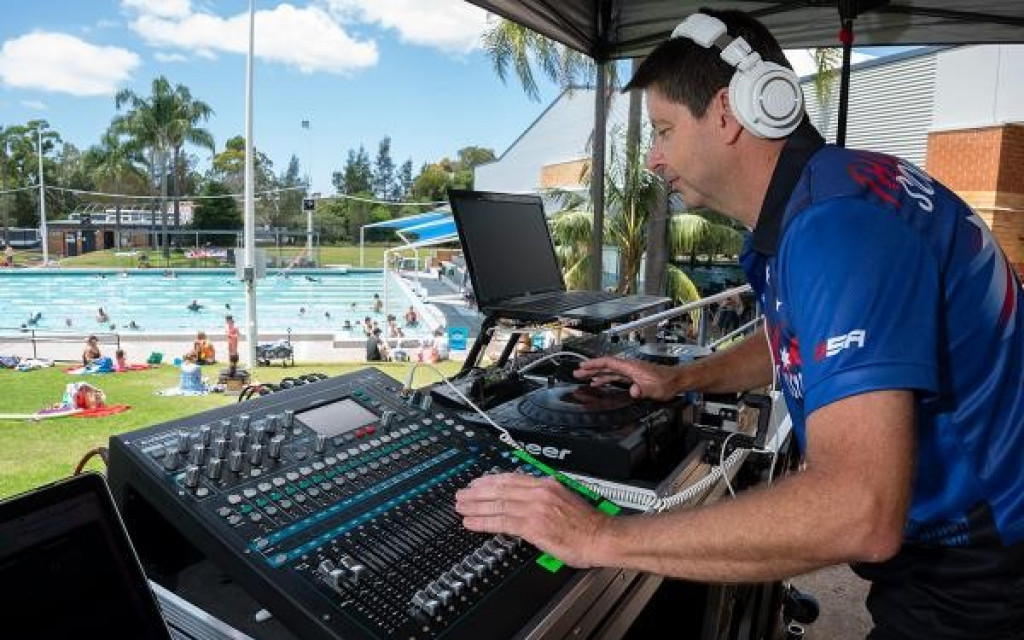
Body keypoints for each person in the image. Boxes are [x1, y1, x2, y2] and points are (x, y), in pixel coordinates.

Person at [455, 9, 1024, 639]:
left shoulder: (839, 230)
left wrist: (601, 536)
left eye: (665, 130)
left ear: (730, 113)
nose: (653, 159)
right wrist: (683, 380)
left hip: (985, 565)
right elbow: (801, 338)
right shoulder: (832, 197)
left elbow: (859, 511)